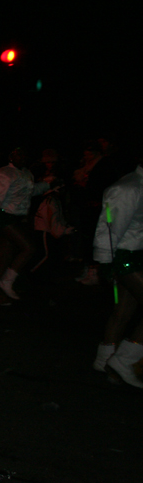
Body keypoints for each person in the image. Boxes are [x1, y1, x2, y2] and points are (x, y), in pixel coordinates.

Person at [91, 162, 143, 388]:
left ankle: (105, 360)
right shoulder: (129, 188)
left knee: (123, 311)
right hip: (124, 257)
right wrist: (105, 261)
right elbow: (109, 227)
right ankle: (125, 360)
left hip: (135, 255)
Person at [0, 148, 52, 301]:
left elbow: (28, 192)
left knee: (5, 256)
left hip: (17, 218)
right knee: (29, 247)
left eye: (24, 154)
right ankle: (6, 282)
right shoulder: (4, 173)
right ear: (10, 156)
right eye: (18, 154)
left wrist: (47, 185)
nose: (21, 157)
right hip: (4, 217)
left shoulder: (26, 173)